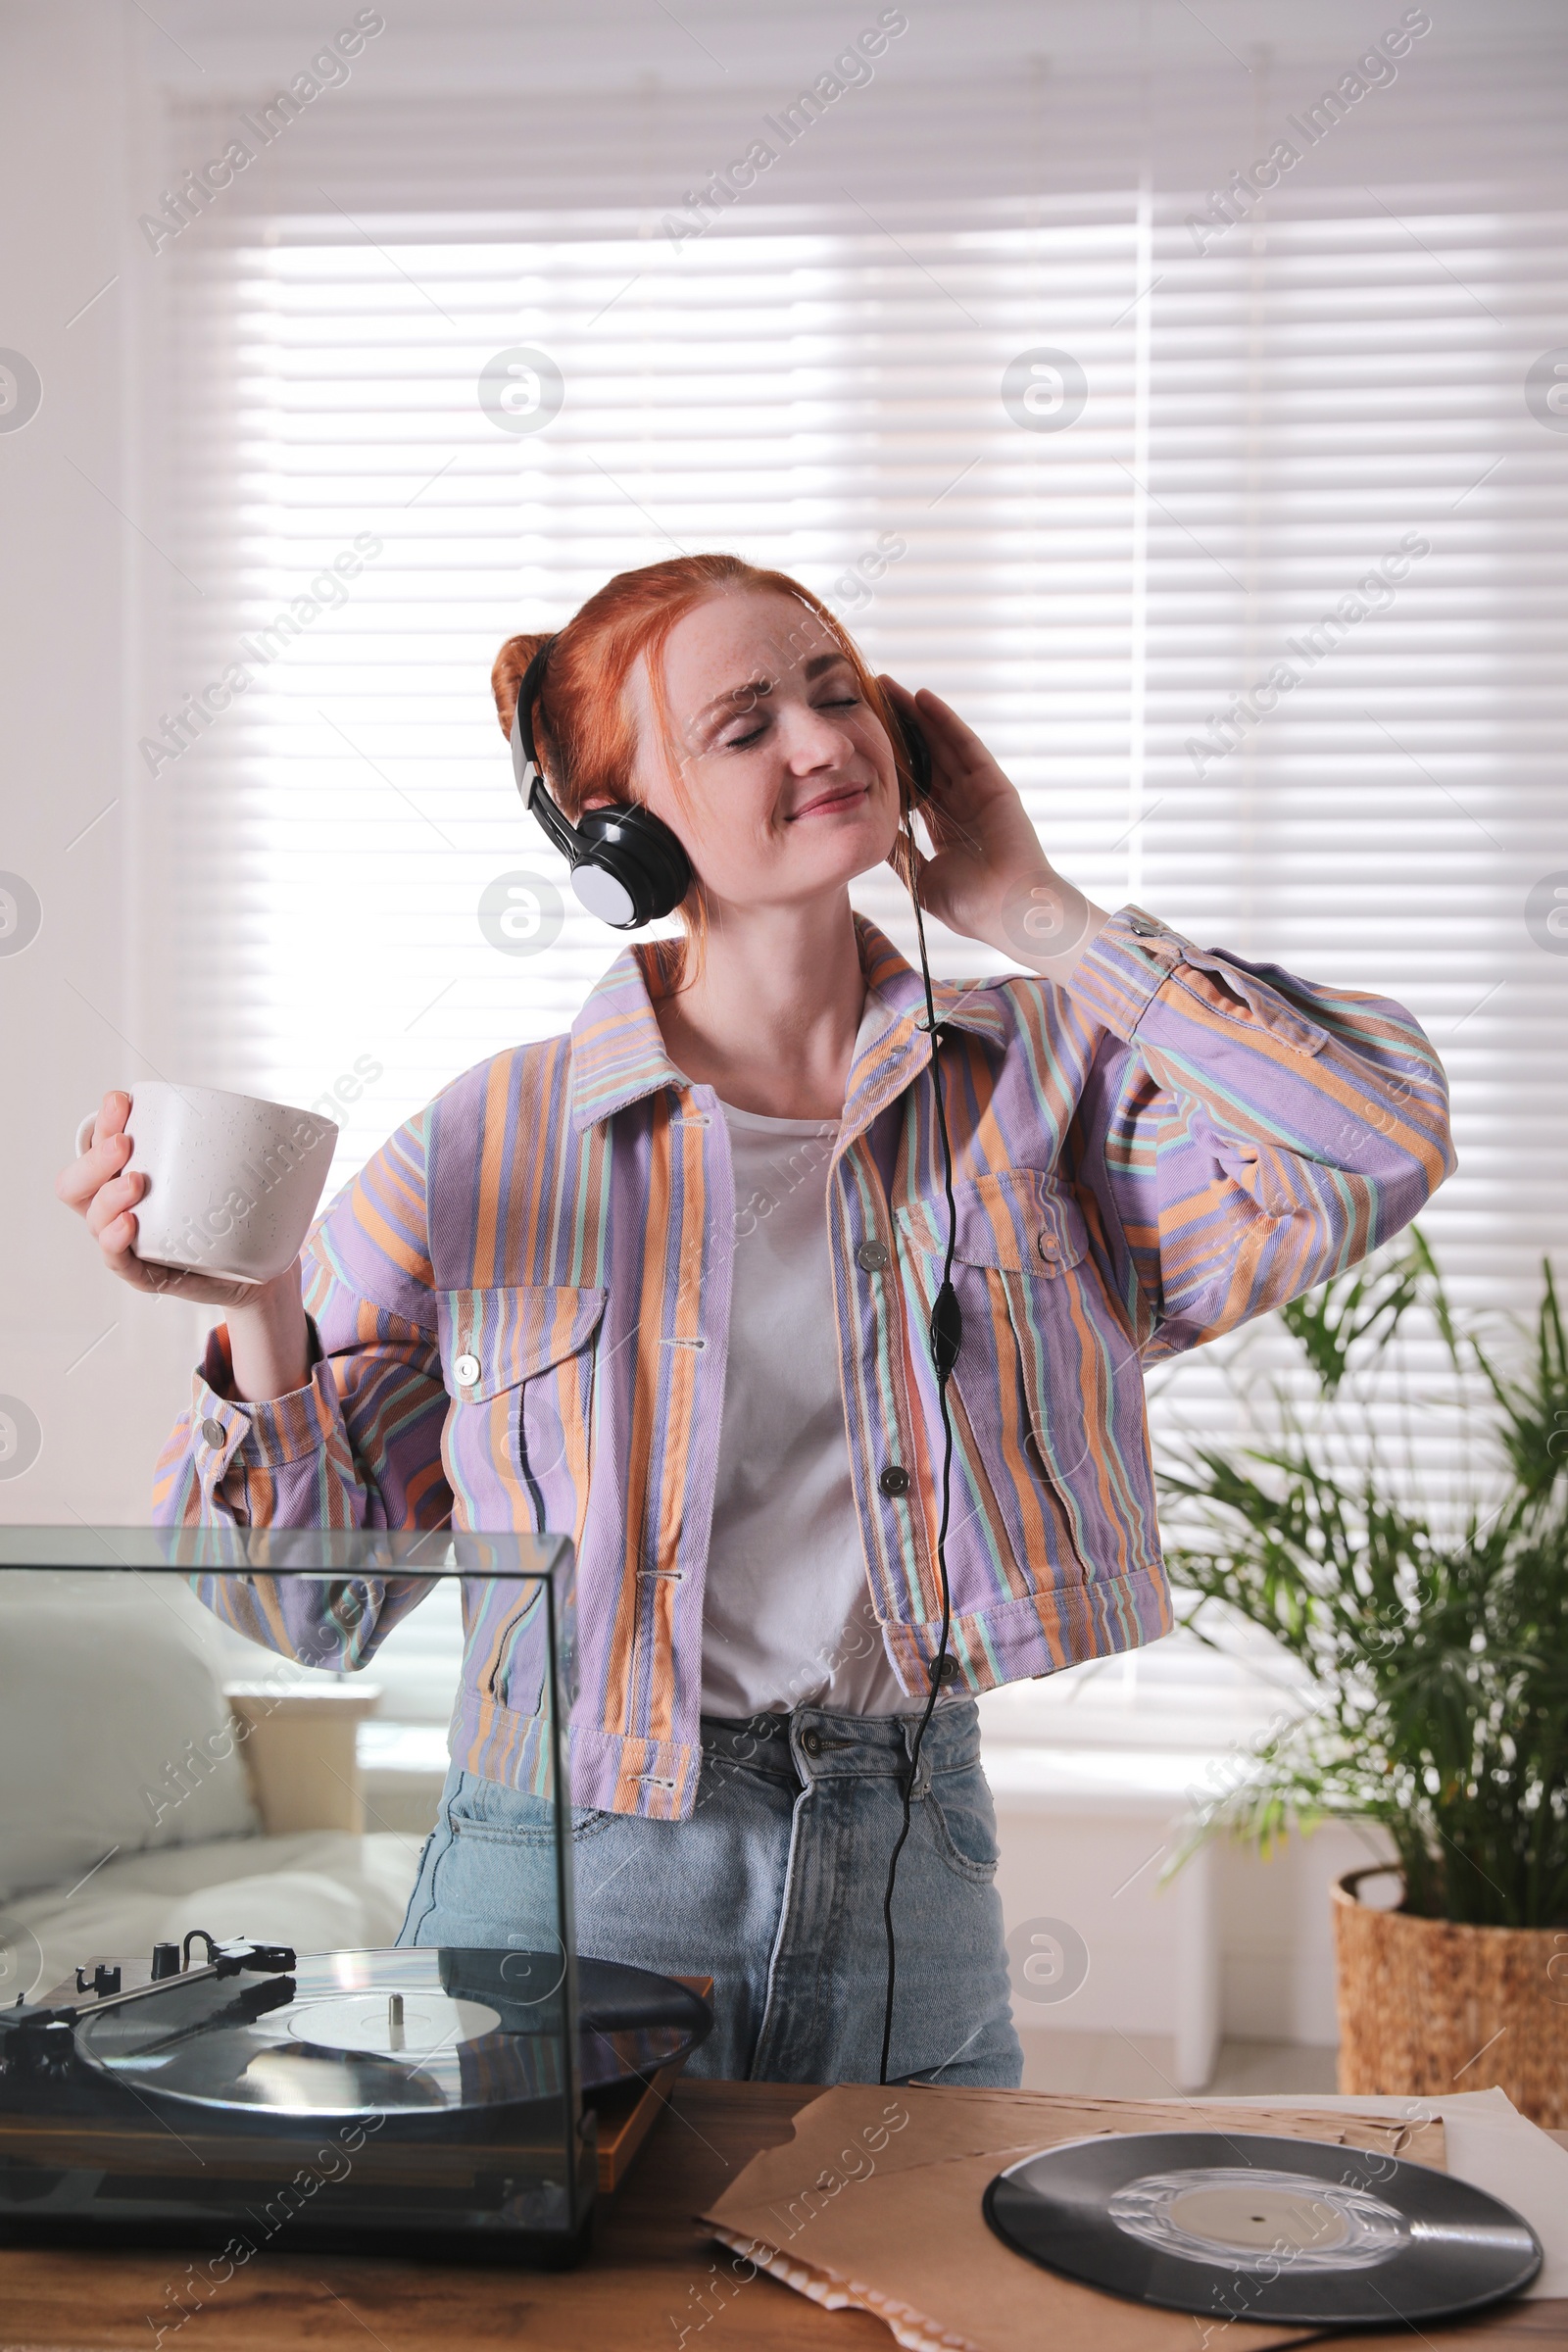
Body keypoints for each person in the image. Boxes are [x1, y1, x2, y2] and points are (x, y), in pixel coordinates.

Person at [59, 553, 1456, 2087]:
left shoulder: (1044, 1084)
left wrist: (1035, 911)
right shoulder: (492, 1140)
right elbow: (306, 1613)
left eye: (837, 691)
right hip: (571, 1862)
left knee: (901, 2320)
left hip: (912, 1854)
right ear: (624, 838)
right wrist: (257, 1306)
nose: (822, 739)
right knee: (556, 2330)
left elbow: (1373, 1136)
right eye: (745, 725)